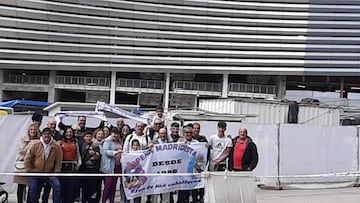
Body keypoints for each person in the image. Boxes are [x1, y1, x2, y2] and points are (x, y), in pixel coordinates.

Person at [24, 128, 63, 203]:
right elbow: (27, 158)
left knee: (57, 186)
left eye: (48, 134)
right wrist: (29, 170)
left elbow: (59, 161)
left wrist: (55, 173)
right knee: (33, 188)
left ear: (51, 135)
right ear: (42, 135)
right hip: (35, 172)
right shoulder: (35, 145)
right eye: (45, 134)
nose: (47, 135)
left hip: (49, 173)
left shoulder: (56, 147)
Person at [14, 124, 40, 203]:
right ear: (28, 131)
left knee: (32, 186)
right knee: (21, 186)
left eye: (34, 130)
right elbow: (22, 151)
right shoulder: (23, 139)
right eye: (31, 129)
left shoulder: (39, 140)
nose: (32, 131)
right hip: (22, 165)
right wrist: (30, 143)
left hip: (33, 165)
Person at [57, 127, 82, 203]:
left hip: (72, 168)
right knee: (62, 188)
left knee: (71, 190)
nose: (69, 134)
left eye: (70, 132)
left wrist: (79, 163)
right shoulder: (60, 142)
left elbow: (78, 154)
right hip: (62, 167)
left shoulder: (75, 142)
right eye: (67, 132)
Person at [177, 125, 199, 203]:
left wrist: (206, 147)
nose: (188, 134)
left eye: (190, 132)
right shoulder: (179, 142)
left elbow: (200, 154)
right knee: (183, 190)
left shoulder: (196, 143)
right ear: (183, 133)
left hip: (193, 169)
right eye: (187, 132)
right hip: (182, 170)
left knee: (194, 190)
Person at [100, 128, 123, 203]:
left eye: (117, 134)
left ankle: (111, 201)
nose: (116, 135)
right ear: (111, 133)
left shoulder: (120, 141)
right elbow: (106, 151)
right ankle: (103, 201)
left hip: (118, 166)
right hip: (109, 167)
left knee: (113, 186)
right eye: (114, 133)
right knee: (108, 186)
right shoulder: (107, 141)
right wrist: (115, 152)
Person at [79, 131, 101, 203]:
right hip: (84, 170)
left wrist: (94, 153)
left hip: (93, 170)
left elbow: (98, 157)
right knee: (84, 189)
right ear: (84, 137)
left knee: (92, 189)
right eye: (87, 136)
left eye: (90, 136)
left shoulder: (95, 145)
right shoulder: (81, 144)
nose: (88, 138)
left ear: (92, 137)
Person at [191, 123, 207, 203]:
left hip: (201, 163)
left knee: (201, 181)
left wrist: (207, 146)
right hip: (192, 163)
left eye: (198, 128)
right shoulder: (190, 138)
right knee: (194, 181)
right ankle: (194, 199)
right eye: (195, 128)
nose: (196, 130)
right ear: (192, 129)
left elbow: (207, 149)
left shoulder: (203, 139)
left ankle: (201, 198)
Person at [124, 139, 142, 203]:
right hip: (129, 176)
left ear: (139, 146)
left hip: (138, 176)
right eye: (134, 145)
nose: (135, 147)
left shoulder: (141, 154)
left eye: (137, 145)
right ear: (131, 146)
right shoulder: (128, 154)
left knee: (137, 193)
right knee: (128, 193)